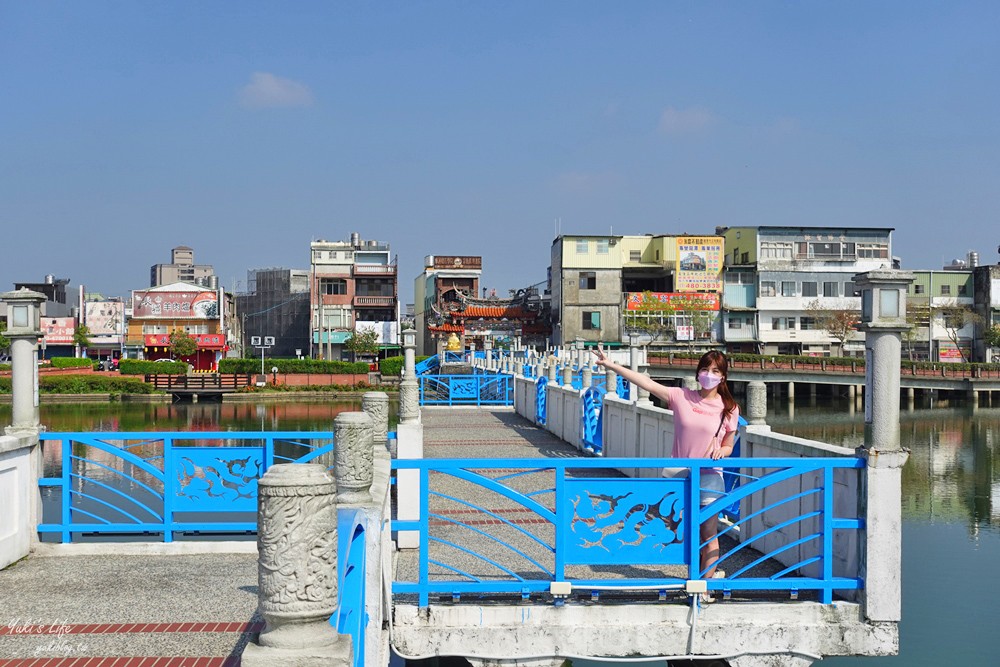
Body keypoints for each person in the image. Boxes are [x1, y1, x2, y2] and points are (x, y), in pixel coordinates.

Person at [592, 344, 740, 590]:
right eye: (705, 369)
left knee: (708, 533)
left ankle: (702, 586)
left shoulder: (729, 408)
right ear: (698, 373)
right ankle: (703, 574)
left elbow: (728, 445)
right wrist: (610, 365)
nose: (709, 374)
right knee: (678, 532)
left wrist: (721, 452)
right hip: (678, 474)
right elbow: (646, 383)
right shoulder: (681, 397)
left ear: (723, 376)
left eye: (715, 371)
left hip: (709, 477)